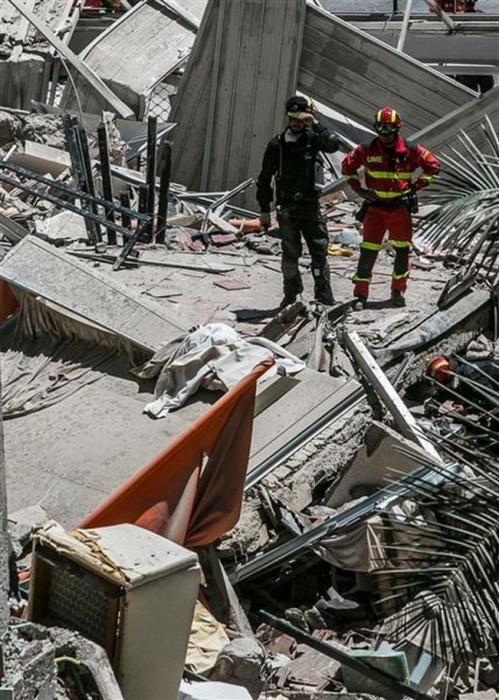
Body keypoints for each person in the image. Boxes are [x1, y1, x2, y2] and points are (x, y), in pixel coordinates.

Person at [341, 107, 440, 310]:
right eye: (380, 129)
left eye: (388, 129)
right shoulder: (366, 149)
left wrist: (416, 186)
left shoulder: (411, 149)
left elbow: (433, 165)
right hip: (375, 209)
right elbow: (347, 168)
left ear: (397, 129)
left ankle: (397, 291)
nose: (384, 134)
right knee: (368, 251)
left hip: (399, 208)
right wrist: (359, 190)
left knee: (402, 251)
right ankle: (360, 295)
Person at [256, 95, 340, 310]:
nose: (296, 123)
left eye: (300, 118)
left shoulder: (313, 140)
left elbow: (333, 144)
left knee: (319, 252)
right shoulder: (277, 144)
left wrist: (316, 124)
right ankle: (291, 294)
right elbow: (264, 179)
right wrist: (264, 210)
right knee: (290, 254)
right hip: (287, 209)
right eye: (292, 118)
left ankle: (324, 296)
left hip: (310, 207)